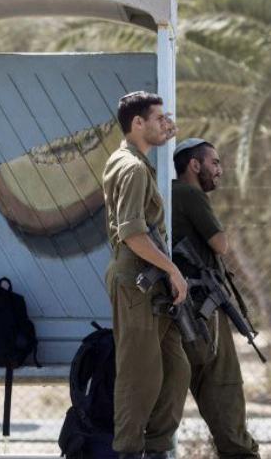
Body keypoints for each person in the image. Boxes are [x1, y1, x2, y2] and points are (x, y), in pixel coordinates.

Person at [101, 91, 189, 459]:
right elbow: (132, 232)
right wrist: (173, 270)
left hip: (150, 284)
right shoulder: (133, 168)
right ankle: (128, 451)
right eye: (157, 119)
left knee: (175, 369)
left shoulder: (135, 161)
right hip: (137, 281)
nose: (164, 125)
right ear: (137, 123)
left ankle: (156, 449)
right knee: (139, 376)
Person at [171, 138, 260, 458]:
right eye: (214, 163)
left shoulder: (169, 194)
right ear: (194, 165)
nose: (219, 170)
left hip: (181, 310)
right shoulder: (190, 193)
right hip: (202, 311)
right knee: (224, 392)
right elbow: (220, 245)